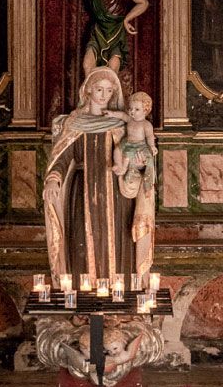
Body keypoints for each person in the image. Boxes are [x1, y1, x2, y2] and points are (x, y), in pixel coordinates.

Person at [43, 68, 155, 282]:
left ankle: (120, 294)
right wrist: (53, 179)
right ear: (88, 90)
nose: (104, 95)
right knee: (81, 240)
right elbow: (63, 157)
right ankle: (81, 294)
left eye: (109, 90)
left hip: (116, 191)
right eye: (99, 89)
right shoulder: (74, 124)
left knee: (118, 237)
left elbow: (135, 151)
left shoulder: (121, 124)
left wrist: (140, 164)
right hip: (82, 190)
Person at [108, 91, 157, 196]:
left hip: (139, 145)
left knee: (136, 158)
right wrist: (112, 114)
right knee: (117, 150)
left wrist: (152, 146)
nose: (132, 111)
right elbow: (122, 115)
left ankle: (147, 185)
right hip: (127, 142)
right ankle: (118, 164)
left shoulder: (146, 124)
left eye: (136, 109)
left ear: (145, 110)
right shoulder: (130, 119)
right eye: (131, 109)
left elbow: (149, 137)